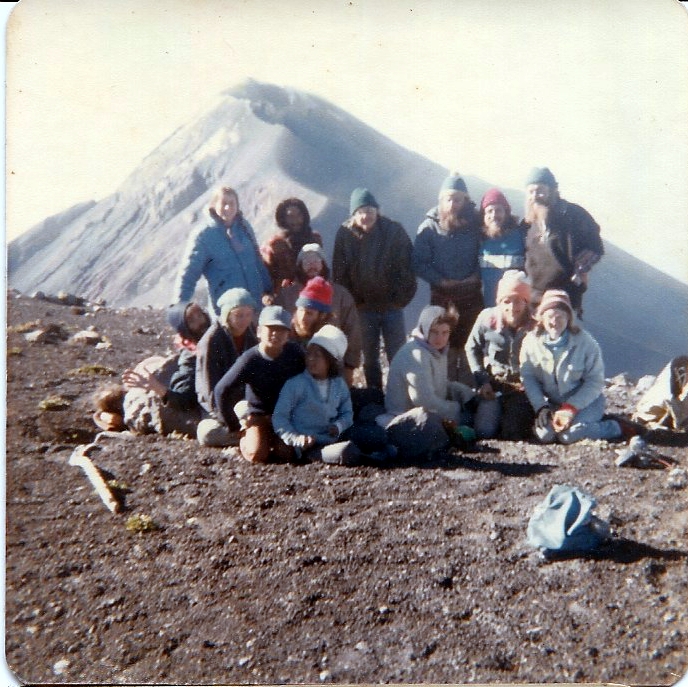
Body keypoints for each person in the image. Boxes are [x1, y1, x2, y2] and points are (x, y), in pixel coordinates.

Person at [332, 188, 416, 390]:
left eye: (369, 210)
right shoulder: (345, 234)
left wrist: (401, 298)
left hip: (391, 306)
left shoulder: (393, 231)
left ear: (378, 210)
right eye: (360, 211)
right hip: (363, 308)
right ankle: (375, 395)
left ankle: (400, 394)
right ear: (353, 214)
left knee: (397, 354)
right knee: (369, 357)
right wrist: (352, 303)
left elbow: (408, 265)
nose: (365, 215)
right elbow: (339, 272)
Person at [519, 289, 625, 444]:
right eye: (550, 316)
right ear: (541, 318)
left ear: (568, 317)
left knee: (568, 436)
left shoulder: (585, 342)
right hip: (554, 403)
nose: (554, 321)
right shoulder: (530, 342)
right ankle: (589, 423)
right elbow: (528, 377)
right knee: (545, 435)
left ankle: (616, 427)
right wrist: (541, 407)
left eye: (560, 316)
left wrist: (571, 408)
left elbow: (595, 381)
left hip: (585, 401)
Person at [92, 302, 211, 437]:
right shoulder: (191, 358)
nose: (200, 321)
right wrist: (157, 388)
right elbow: (184, 399)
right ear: (184, 328)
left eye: (199, 314)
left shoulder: (212, 338)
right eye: (192, 319)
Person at [213, 305, 305, 463]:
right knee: (257, 455)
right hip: (259, 416)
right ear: (259, 331)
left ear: (288, 334)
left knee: (286, 455)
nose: (276, 334)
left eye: (281, 330)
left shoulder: (294, 353)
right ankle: (244, 437)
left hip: (285, 416)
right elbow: (221, 390)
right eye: (271, 329)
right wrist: (232, 425)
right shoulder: (250, 359)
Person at [413, 173, 483, 381]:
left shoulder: (476, 225)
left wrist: (475, 277)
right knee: (444, 345)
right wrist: (440, 280)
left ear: (466, 201)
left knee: (471, 345)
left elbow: (487, 254)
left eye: (458, 199)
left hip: (471, 296)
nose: (453, 204)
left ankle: (471, 391)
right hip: (443, 297)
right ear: (441, 200)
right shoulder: (429, 227)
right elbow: (418, 262)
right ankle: (445, 389)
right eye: (448, 199)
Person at [172, 185, 272, 316]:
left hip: (254, 308)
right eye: (223, 203)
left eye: (232, 203)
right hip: (226, 312)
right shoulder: (204, 235)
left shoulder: (244, 227)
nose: (228, 208)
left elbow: (258, 262)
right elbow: (188, 275)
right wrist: (178, 312)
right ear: (213, 205)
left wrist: (269, 290)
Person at [275, 243, 362, 386]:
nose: (312, 265)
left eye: (316, 260)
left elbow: (352, 331)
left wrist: (350, 366)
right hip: (294, 364)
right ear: (299, 266)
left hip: (332, 363)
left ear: (323, 264)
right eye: (307, 261)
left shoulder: (341, 294)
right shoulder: (286, 295)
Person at [521, 167, 603, 317]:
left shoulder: (573, 214)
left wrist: (579, 272)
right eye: (531, 192)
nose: (535, 196)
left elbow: (595, 247)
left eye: (540, 190)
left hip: (563, 299)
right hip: (533, 300)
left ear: (553, 190)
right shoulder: (529, 223)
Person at [465, 270, 535, 439]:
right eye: (506, 301)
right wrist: (482, 381)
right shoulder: (487, 318)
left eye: (518, 301)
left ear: (526, 301)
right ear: (500, 301)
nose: (512, 307)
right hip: (494, 384)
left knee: (513, 433)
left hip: (522, 388)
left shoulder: (535, 324)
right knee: (484, 431)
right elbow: (471, 348)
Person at [195, 288, 259, 447]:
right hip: (217, 410)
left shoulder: (251, 336)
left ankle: (250, 436)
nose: (244, 320)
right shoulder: (211, 341)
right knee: (208, 434)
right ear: (227, 315)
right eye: (239, 315)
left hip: (244, 403)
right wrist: (226, 418)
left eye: (248, 315)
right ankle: (248, 437)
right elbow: (209, 389)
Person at [260, 198, 323, 296]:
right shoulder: (275, 244)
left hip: (313, 294)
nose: (296, 220)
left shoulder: (315, 239)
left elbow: (322, 269)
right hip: (287, 296)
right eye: (290, 216)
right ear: (283, 218)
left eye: (299, 215)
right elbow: (267, 276)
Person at [478, 188, 526, 307]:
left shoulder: (520, 236)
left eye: (498, 210)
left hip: (514, 309)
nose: (494, 215)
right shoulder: (479, 239)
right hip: (488, 308)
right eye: (489, 211)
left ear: (506, 213)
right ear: (483, 215)